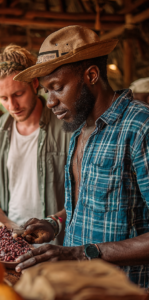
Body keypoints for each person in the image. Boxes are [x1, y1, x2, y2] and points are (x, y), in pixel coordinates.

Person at [13, 25, 149, 288]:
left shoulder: (140, 127)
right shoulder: (78, 132)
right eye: (46, 91)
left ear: (91, 75)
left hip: (122, 291)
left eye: (58, 87)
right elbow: (90, 206)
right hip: (79, 288)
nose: (50, 101)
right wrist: (54, 223)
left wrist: (79, 253)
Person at [0, 45, 71, 238]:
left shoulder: (64, 125)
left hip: (55, 243)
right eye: (3, 98)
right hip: (11, 235)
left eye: (18, 94)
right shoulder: (2, 127)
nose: (12, 106)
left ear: (35, 83)